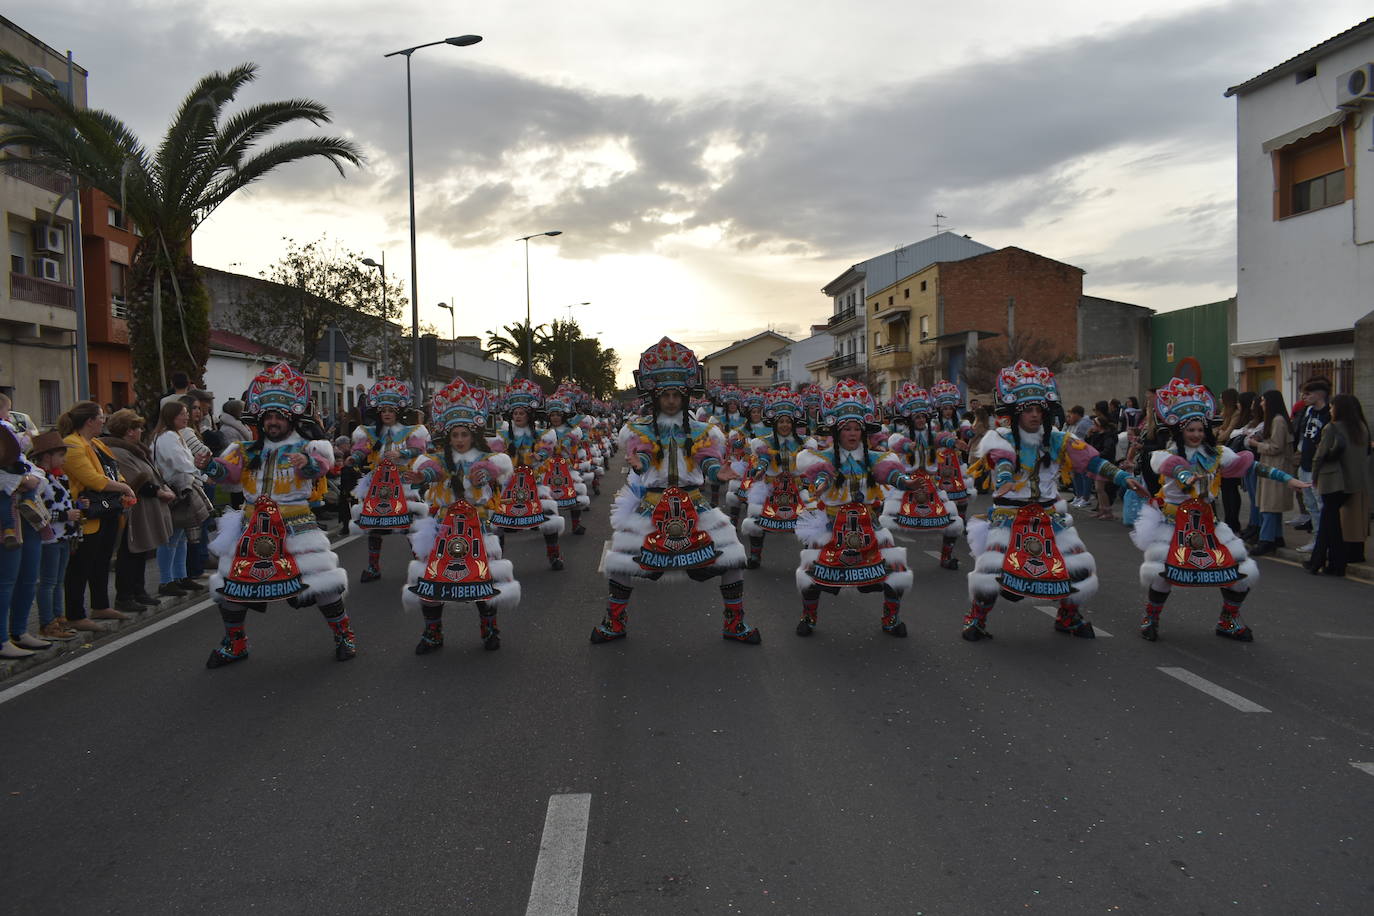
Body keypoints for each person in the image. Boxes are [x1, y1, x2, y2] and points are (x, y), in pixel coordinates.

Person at [963, 361, 1147, 642]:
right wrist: (1003, 480)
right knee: (992, 569)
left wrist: (1123, 477)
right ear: (1016, 413)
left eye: (1039, 410)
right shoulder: (1001, 438)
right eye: (1028, 410)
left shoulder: (1059, 440)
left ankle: (1068, 616)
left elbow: (1092, 460)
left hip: (1050, 515)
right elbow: (1002, 461)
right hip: (1010, 515)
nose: (1035, 415)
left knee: (1078, 566)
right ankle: (977, 619)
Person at [591, 337, 758, 645]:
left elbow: (706, 460)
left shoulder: (701, 431)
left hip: (694, 503)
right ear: (655, 396)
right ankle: (614, 622)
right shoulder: (641, 430)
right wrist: (637, 464)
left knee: (733, 556)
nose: (670, 401)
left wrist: (715, 472)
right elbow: (642, 457)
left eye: (676, 395)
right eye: (665, 395)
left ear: (685, 397)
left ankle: (735, 623)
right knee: (621, 560)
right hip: (651, 505)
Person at [202, 362, 354, 667]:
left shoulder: (311, 446)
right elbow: (228, 476)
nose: (272, 422)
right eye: (268, 416)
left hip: (296, 524)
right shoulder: (244, 449)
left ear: (291, 418)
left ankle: (343, 636)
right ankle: (236, 643)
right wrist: (208, 465)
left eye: (279, 417)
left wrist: (307, 465)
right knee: (232, 586)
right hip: (250, 525)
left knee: (322, 584)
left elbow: (322, 469)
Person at [1131, 379, 1306, 642]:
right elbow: (1170, 466)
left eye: (1200, 429)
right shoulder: (1166, 454)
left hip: (1208, 523)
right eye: (1191, 430)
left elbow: (1254, 467)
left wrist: (1287, 479)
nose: (1197, 435)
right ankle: (1151, 617)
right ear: (1180, 431)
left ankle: (1228, 619)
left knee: (1243, 570)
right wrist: (1186, 475)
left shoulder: (1217, 454)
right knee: (1162, 572)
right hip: (1172, 522)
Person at [794, 379, 929, 638]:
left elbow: (889, 476)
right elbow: (821, 476)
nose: (853, 433)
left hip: (870, 523)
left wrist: (908, 483)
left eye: (857, 428)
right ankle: (808, 617)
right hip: (831, 524)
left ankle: (891, 619)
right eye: (847, 429)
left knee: (895, 569)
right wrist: (820, 485)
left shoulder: (876, 458)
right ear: (837, 432)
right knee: (812, 573)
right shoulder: (822, 458)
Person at [402, 378, 520, 653]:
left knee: (483, 578)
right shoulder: (439, 458)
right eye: (455, 435)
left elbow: (496, 470)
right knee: (431, 579)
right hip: (442, 526)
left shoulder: (487, 457)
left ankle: (489, 630)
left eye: (464, 435)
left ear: (473, 434)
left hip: (477, 525)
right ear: (448, 436)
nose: (459, 440)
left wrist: (486, 474)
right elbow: (434, 471)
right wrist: (423, 475)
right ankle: (433, 634)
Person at [61, 401, 137, 632]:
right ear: (90, 421)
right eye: (101, 417)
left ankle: (100, 605)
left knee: (102, 560)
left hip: (107, 510)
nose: (104, 420)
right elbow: (92, 479)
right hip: (88, 512)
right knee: (81, 565)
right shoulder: (72, 445)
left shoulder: (96, 444)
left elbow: (113, 470)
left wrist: (123, 485)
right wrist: (123, 488)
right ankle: (75, 613)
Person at [100, 410, 175, 613]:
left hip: (144, 506)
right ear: (129, 431)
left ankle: (139, 590)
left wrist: (163, 487)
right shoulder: (119, 452)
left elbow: (150, 473)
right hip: (133, 508)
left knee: (141, 549)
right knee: (130, 550)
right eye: (138, 428)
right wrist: (159, 492)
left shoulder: (135, 449)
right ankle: (125, 595)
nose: (141, 431)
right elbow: (135, 478)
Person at [489, 378, 566, 570]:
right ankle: (496, 563)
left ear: (529, 415)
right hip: (508, 485)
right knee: (497, 522)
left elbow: (546, 451)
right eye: (515, 413)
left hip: (534, 483)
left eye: (521, 412)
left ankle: (554, 555)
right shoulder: (502, 435)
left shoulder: (542, 434)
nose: (517, 416)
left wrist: (537, 456)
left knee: (548, 515)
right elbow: (495, 456)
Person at [739, 386, 811, 568]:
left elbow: (809, 466)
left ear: (793, 423)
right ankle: (755, 556)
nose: (785, 425)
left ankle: (812, 559)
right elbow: (762, 459)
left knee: (812, 519)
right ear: (774, 423)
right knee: (756, 519)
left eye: (788, 421)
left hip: (797, 487)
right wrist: (760, 469)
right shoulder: (765, 442)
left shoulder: (804, 443)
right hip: (771, 487)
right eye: (781, 421)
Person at [1307, 393, 1371, 576]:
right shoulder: (1361, 428)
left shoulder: (1332, 428)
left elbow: (1320, 455)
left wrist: (1314, 475)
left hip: (1331, 480)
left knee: (1330, 524)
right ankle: (1329, 562)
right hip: (1353, 482)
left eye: (1333, 406)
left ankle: (1323, 562)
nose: (1330, 409)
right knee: (1331, 523)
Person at [0, 428, 52, 657]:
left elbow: (38, 476)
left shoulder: (10, 442)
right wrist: (22, 480)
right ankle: (2, 639)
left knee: (29, 575)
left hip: (26, 517)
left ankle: (19, 631)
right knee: (6, 580)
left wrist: (26, 479)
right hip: (7, 518)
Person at [151, 401, 210, 597]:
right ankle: (167, 580)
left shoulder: (176, 435)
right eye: (182, 414)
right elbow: (180, 463)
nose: (186, 417)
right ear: (170, 416)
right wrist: (199, 470)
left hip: (183, 487)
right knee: (171, 537)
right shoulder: (167, 437)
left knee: (181, 536)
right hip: (176, 490)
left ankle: (181, 575)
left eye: (186, 413)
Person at [29, 431, 82, 642]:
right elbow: (37, 510)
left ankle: (59, 617)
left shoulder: (59, 477)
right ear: (47, 456)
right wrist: (64, 515)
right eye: (61, 455)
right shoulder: (39, 480)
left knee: (58, 580)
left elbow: (65, 501)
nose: (64, 459)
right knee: (48, 581)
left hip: (64, 535)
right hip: (49, 537)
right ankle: (47, 622)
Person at [535, 385, 592, 536]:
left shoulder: (572, 431)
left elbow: (573, 446)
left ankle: (576, 524)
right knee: (546, 497)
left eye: (558, 414)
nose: (555, 417)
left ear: (563, 415)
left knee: (575, 496)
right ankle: (547, 525)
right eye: (552, 415)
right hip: (547, 467)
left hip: (566, 467)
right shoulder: (543, 432)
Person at [1245, 390, 1297, 556]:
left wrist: (1256, 444)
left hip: (1276, 467)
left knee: (1269, 506)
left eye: (1263, 401)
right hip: (1272, 467)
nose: (1261, 404)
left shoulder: (1278, 421)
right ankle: (1276, 536)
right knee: (1272, 505)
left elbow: (1276, 447)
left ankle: (1266, 539)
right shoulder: (1276, 420)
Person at [1291, 378, 1331, 549]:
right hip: (1305, 464)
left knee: (1321, 505)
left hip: (1318, 468)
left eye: (1307, 394)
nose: (1303, 397)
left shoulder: (1329, 414)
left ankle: (1323, 541)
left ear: (1318, 395)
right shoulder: (1308, 412)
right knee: (1310, 505)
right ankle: (1315, 539)